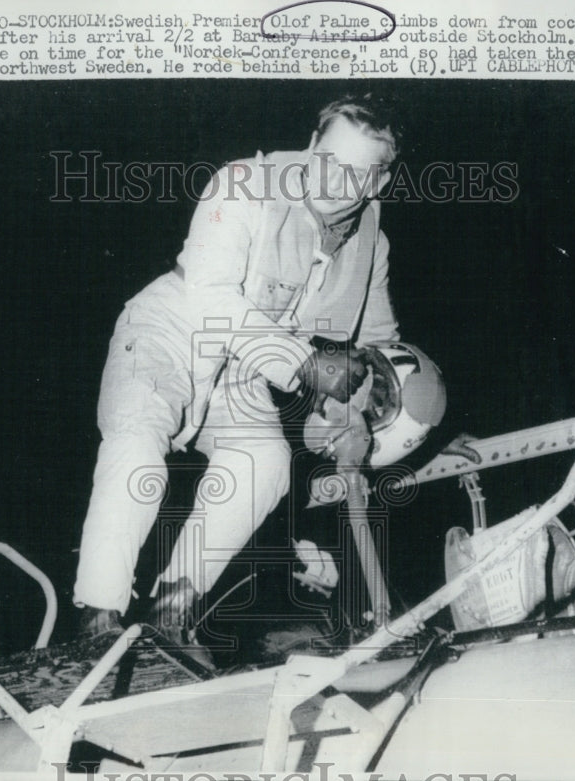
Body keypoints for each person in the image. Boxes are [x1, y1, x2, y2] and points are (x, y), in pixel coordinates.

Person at [73, 94, 402, 656]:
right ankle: (95, 624)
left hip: (246, 370)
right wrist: (304, 365)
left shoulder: (374, 244)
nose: (336, 180)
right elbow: (210, 298)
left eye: (359, 171)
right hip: (171, 329)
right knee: (136, 446)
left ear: (381, 180)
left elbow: (376, 349)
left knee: (264, 463)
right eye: (328, 159)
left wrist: (399, 418)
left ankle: (170, 617)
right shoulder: (242, 184)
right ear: (311, 146)